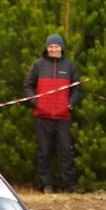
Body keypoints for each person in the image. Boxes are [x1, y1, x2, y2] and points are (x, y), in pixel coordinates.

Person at [24, 33, 82, 192]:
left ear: (61, 48)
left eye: (56, 46)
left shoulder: (70, 66)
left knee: (66, 150)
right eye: (51, 46)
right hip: (42, 116)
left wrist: (70, 105)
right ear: (47, 48)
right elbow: (28, 85)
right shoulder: (38, 65)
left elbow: (77, 88)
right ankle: (46, 184)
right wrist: (36, 102)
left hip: (63, 116)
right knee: (44, 151)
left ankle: (70, 183)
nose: (54, 49)